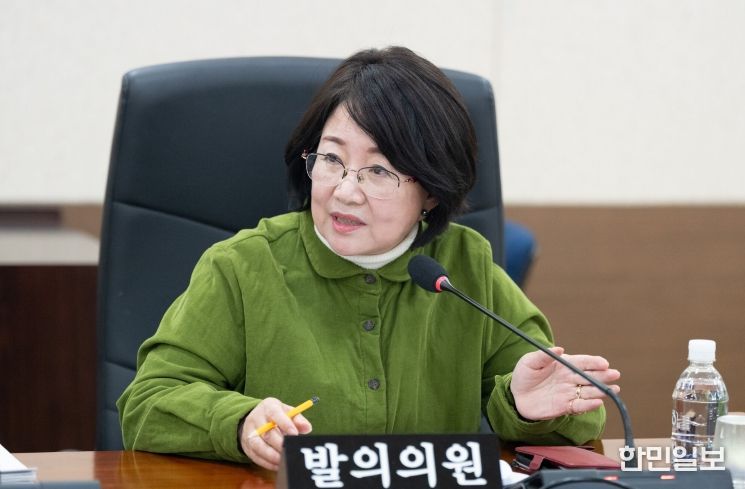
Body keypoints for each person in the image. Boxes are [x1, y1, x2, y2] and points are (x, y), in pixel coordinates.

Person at [117, 46, 620, 471]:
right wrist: (239, 422)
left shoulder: (464, 267)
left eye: (378, 171)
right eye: (331, 159)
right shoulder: (243, 266)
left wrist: (525, 408)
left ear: (431, 190)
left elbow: (579, 414)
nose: (344, 191)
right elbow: (147, 404)